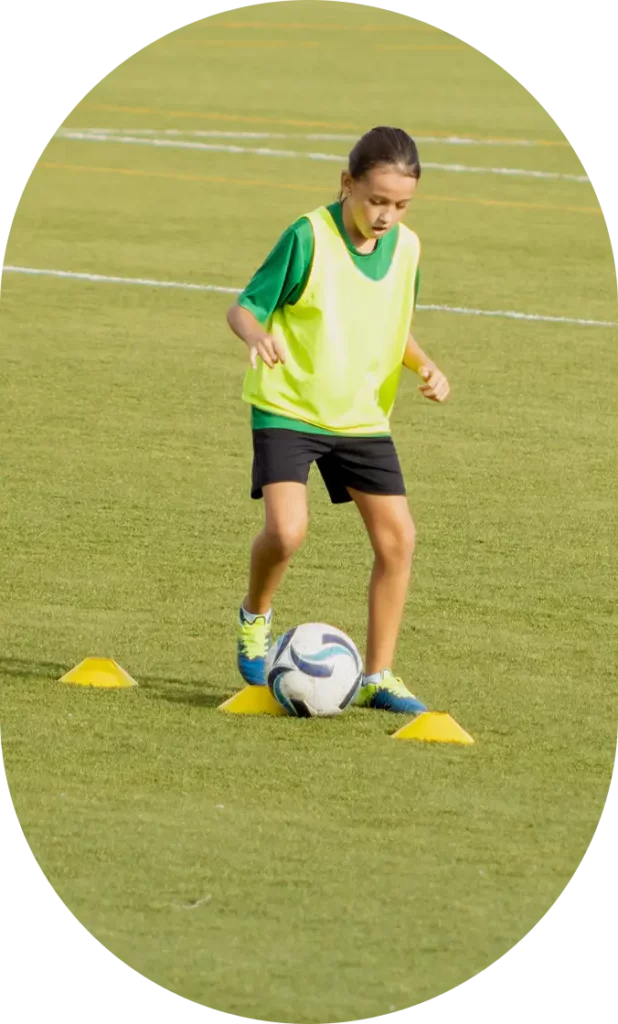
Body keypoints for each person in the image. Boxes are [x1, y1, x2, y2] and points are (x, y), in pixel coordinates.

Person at [225, 126, 450, 714]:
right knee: (287, 532)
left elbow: (393, 328)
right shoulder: (308, 236)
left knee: (399, 540)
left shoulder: (408, 249)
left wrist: (426, 365)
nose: (386, 216)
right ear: (347, 183)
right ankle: (255, 616)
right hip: (289, 407)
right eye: (376, 200)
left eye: (401, 205)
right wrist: (256, 335)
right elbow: (244, 307)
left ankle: (378, 676)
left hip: (360, 417)